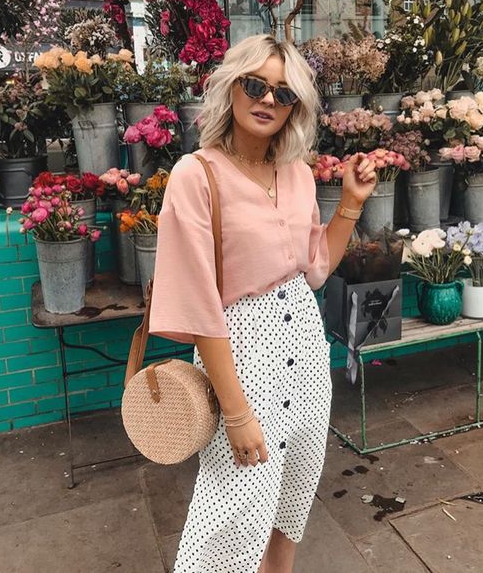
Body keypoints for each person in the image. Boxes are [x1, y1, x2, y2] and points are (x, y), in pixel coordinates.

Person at [149, 34, 377, 572]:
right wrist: (235, 411)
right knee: (231, 515)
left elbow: (315, 269)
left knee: (289, 507)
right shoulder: (196, 174)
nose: (268, 100)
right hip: (243, 354)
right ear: (231, 88)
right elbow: (199, 300)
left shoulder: (297, 174)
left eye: (284, 93)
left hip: (304, 345)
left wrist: (348, 204)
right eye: (256, 85)